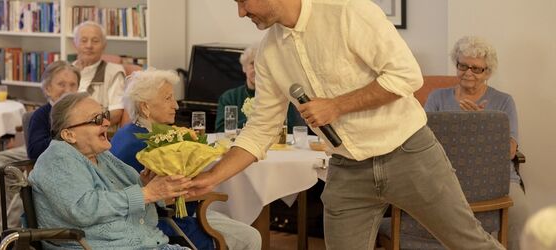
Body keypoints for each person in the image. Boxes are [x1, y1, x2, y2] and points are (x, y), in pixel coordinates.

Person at [189, 0, 505, 249]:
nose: (241, 12)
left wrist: (336, 106)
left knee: (469, 243)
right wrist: (211, 178)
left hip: (410, 155)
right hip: (346, 167)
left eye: (244, 1)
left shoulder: (350, 12)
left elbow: (406, 76)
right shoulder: (270, 53)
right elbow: (259, 131)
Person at [110, 69, 262, 250]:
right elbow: (168, 194)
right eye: (168, 99)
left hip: (157, 215)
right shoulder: (145, 146)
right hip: (163, 222)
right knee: (250, 236)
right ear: (145, 107)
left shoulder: (126, 134)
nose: (176, 105)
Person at [28, 92, 191, 250]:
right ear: (69, 135)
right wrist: (147, 193)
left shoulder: (103, 156)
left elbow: (137, 198)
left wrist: (147, 184)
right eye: (97, 119)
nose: (106, 122)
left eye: (105, 114)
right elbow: (83, 209)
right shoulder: (58, 158)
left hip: (146, 243)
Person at [425, 35, 529, 250]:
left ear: (488, 72)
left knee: (520, 212)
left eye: (476, 68)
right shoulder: (437, 98)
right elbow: (424, 144)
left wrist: (481, 124)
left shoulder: (504, 101)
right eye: (463, 65)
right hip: (447, 177)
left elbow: (510, 150)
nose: (468, 72)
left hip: (497, 176)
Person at [0, 61, 80, 232]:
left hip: (75, 166)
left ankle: (7, 230)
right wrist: (65, 136)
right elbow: (35, 151)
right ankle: (10, 228)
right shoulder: (41, 115)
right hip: (46, 164)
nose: (67, 89)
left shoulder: (82, 113)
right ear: (47, 89)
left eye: (73, 85)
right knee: (25, 180)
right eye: (61, 84)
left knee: (26, 181)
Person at [214, 44, 303, 132]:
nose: (257, 69)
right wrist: (260, 119)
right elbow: (221, 130)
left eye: (262, 64)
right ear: (244, 68)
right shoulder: (229, 97)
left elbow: (294, 128)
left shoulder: (282, 95)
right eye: (252, 63)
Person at [72, 21, 126, 126]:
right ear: (75, 44)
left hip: (97, 133)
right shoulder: (66, 71)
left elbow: (116, 113)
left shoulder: (114, 72)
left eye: (95, 41)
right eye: (83, 40)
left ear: (104, 45)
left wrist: (88, 123)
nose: (89, 45)